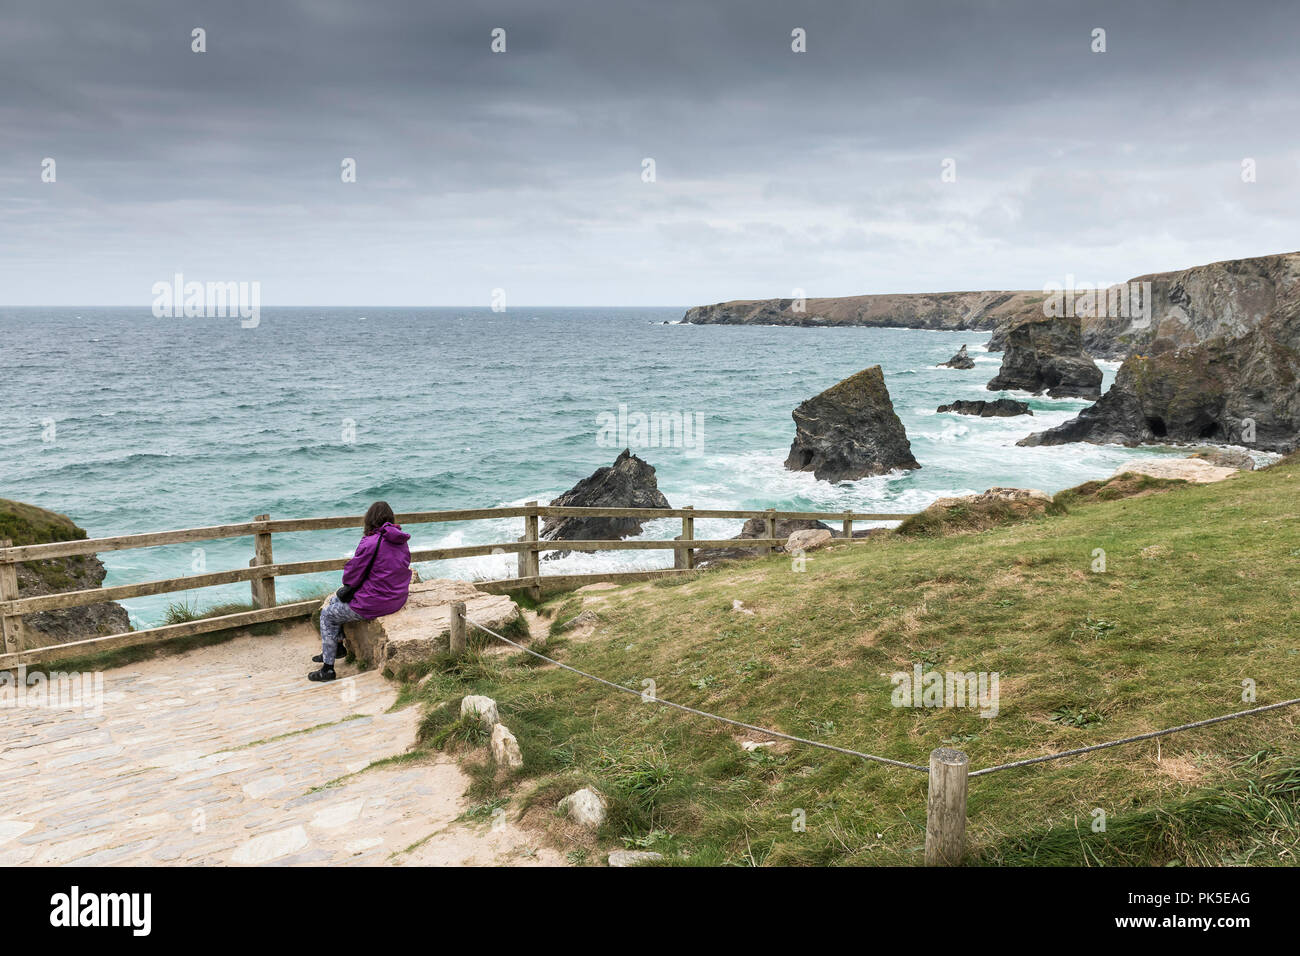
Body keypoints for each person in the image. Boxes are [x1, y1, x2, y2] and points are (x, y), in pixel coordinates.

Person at [309, 501, 412, 682]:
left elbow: (351, 575)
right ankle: (337, 647)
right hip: (397, 597)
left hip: (375, 602)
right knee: (335, 602)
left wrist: (350, 585)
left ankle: (328, 669)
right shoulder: (401, 540)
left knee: (327, 613)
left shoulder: (371, 542)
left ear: (370, 519)